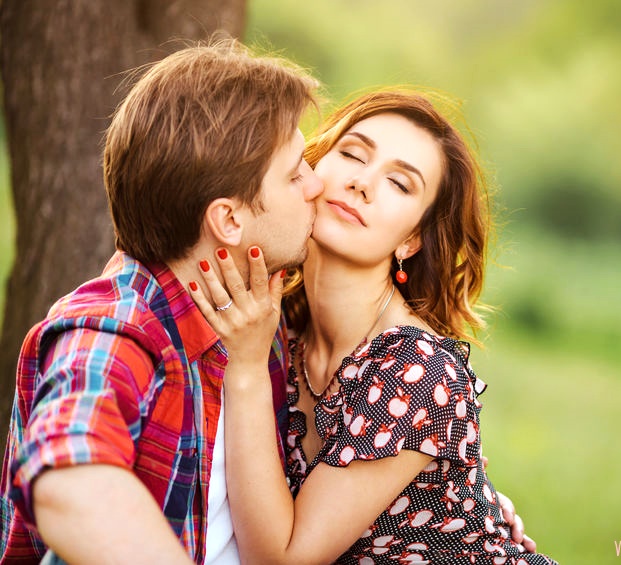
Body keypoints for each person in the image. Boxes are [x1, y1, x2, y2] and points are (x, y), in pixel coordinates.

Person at [190, 90, 558, 564]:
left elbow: (280, 560)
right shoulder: (278, 328)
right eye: (352, 154)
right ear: (309, 169)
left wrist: (246, 367)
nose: (362, 183)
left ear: (412, 239)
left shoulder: (418, 370)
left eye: (399, 184)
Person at [0, 39, 322, 564]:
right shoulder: (115, 329)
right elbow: (70, 480)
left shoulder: (257, 310)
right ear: (229, 221)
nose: (317, 184)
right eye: (295, 173)